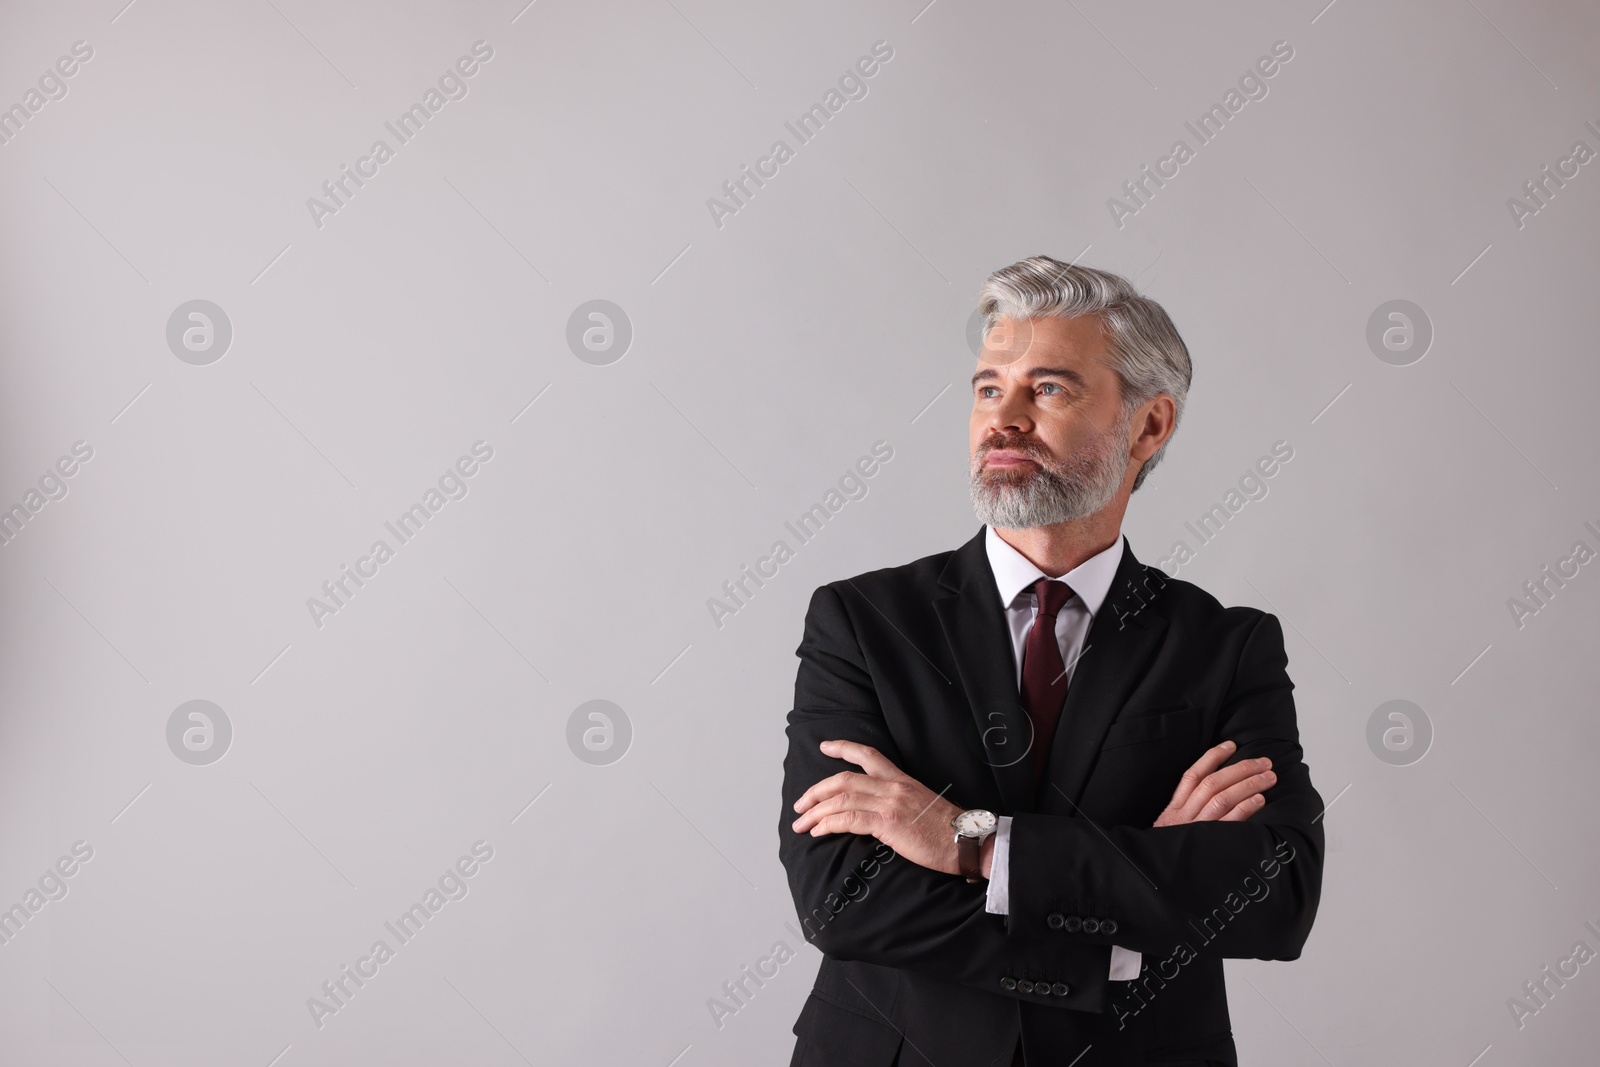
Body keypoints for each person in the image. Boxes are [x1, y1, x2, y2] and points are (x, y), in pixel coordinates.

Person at [779, 257, 1324, 1066]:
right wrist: (1122, 934)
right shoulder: (863, 623)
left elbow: (1273, 896)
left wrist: (971, 841)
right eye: (989, 387)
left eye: (1050, 389)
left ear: (1148, 425)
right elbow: (841, 898)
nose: (1003, 418)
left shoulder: (1225, 645)